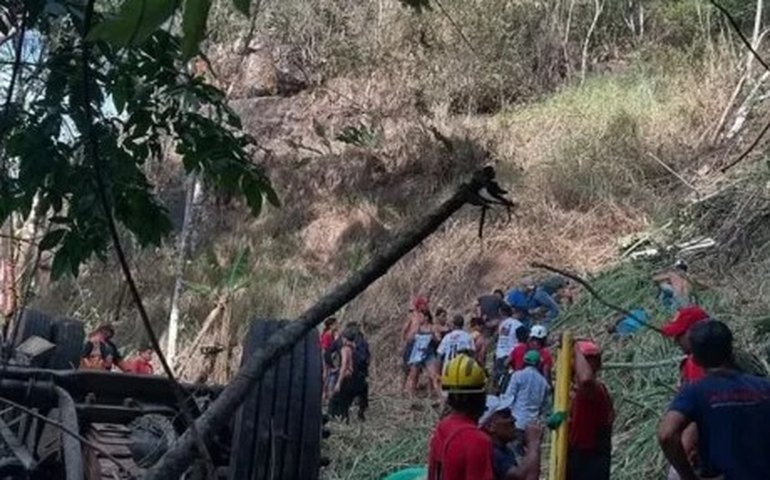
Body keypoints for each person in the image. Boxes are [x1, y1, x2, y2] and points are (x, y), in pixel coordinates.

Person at [658, 320, 770, 480]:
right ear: (731, 349)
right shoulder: (765, 387)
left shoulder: (695, 392)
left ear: (695, 360)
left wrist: (688, 477)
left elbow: (666, 434)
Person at [560, 340, 614, 480]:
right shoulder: (573, 393)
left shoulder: (595, 390)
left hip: (590, 460)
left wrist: (576, 348)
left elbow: (585, 379)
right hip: (577, 458)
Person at [479, 395, 543, 480]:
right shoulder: (492, 453)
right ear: (490, 426)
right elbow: (527, 477)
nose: (513, 419)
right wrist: (533, 442)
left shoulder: (505, 451)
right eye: (506, 415)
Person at [328, 324, 370, 422]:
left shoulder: (345, 349)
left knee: (340, 399)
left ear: (345, 339)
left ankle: (340, 417)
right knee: (354, 397)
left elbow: (344, 366)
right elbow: (365, 360)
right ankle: (358, 415)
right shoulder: (354, 348)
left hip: (347, 378)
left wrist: (338, 382)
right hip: (357, 376)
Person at [406, 310, 442, 399]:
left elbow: (438, 339)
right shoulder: (417, 327)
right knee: (413, 375)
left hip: (428, 353)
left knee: (434, 375)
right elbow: (409, 339)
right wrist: (414, 330)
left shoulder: (432, 327)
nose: (419, 319)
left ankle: (440, 396)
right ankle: (411, 397)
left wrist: (433, 336)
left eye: (421, 316)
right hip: (417, 353)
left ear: (426, 318)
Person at [402, 296, 431, 390]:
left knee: (416, 369)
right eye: (424, 305)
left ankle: (411, 389)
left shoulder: (424, 316)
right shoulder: (414, 316)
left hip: (418, 343)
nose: (426, 306)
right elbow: (405, 328)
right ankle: (404, 389)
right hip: (412, 343)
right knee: (408, 369)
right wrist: (405, 338)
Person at [493, 305, 523, 386]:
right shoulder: (518, 324)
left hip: (500, 355)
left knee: (498, 382)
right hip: (512, 356)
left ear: (502, 313)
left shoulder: (501, 325)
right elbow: (523, 341)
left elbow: (496, 339)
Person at [321, 317, 339, 401]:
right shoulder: (327, 335)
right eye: (335, 324)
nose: (337, 325)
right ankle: (324, 393)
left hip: (331, 355)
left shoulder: (333, 334)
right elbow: (324, 349)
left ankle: (328, 393)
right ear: (331, 326)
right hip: (327, 355)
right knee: (326, 374)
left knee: (330, 374)